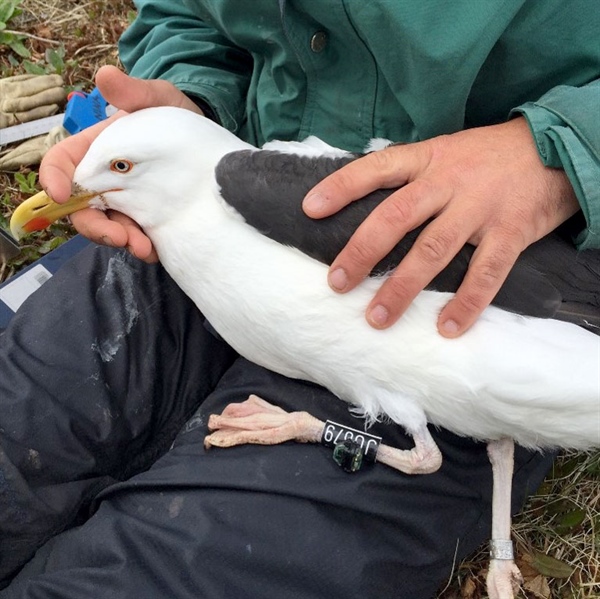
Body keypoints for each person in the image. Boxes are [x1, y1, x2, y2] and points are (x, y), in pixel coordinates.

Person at [1, 2, 598, 597]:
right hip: (218, 223)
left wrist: (560, 153)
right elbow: (185, 17)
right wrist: (197, 102)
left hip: (507, 266)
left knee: (159, 576)